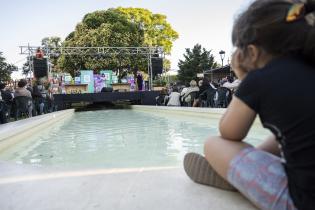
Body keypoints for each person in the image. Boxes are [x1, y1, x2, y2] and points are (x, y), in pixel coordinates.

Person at [184, 1, 315, 210]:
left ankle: (237, 178)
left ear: (252, 52)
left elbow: (229, 132)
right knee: (285, 135)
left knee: (213, 144)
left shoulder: (260, 79)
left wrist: (245, 79)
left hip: (302, 201)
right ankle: (243, 172)